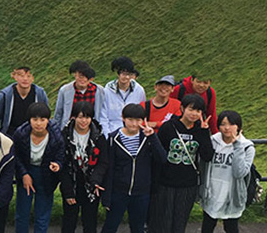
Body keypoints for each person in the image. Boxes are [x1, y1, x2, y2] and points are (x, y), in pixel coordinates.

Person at [148, 95, 214, 233]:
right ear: (182, 108)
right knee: (162, 222)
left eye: (198, 111)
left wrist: (204, 132)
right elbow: (158, 156)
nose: (194, 114)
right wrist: (155, 183)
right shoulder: (168, 127)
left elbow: (208, 156)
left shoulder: (200, 129)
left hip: (188, 184)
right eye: (191, 109)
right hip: (165, 183)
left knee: (180, 222)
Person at [101, 104, 165, 233]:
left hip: (141, 192)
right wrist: (107, 196)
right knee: (110, 226)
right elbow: (109, 167)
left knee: (138, 228)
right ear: (123, 118)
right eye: (130, 119)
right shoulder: (114, 138)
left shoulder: (147, 137)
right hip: (119, 191)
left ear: (143, 120)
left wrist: (152, 137)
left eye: (138, 120)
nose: (134, 124)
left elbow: (162, 159)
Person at [200, 110, 255, 233]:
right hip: (212, 192)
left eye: (231, 124)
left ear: (238, 126)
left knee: (231, 228)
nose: (226, 128)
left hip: (232, 194)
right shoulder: (213, 141)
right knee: (207, 226)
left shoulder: (247, 147)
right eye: (223, 124)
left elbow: (239, 173)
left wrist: (237, 146)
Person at [13, 102, 65, 233]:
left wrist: (57, 165)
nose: (38, 123)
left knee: (42, 215)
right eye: (34, 119)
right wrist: (24, 174)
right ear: (29, 120)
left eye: (43, 120)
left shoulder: (56, 136)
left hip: (46, 175)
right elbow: (16, 156)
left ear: (48, 120)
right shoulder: (21, 133)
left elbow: (61, 157)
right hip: (26, 172)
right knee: (22, 213)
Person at [60, 101, 108, 233]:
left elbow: (103, 162)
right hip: (72, 183)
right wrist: (67, 190)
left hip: (92, 185)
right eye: (80, 117)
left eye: (87, 117)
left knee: (90, 222)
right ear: (73, 117)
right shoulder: (65, 136)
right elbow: (62, 164)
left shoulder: (99, 136)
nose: (83, 121)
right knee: (69, 221)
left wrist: (96, 181)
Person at [0, 66, 49, 136]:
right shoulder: (5, 95)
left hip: (33, 135)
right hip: (10, 135)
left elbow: (46, 116)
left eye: (28, 76)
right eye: (21, 76)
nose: (25, 79)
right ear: (15, 77)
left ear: (33, 78)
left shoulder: (40, 94)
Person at [99, 56, 146, 136]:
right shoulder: (107, 91)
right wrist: (108, 137)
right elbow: (103, 117)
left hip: (134, 132)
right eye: (124, 74)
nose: (127, 77)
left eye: (129, 74)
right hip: (113, 132)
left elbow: (142, 113)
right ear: (118, 74)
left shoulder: (139, 90)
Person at [54, 61, 104, 129]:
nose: (83, 79)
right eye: (80, 76)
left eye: (86, 77)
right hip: (70, 129)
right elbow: (58, 114)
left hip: (92, 129)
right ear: (75, 75)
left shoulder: (99, 91)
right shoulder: (64, 91)